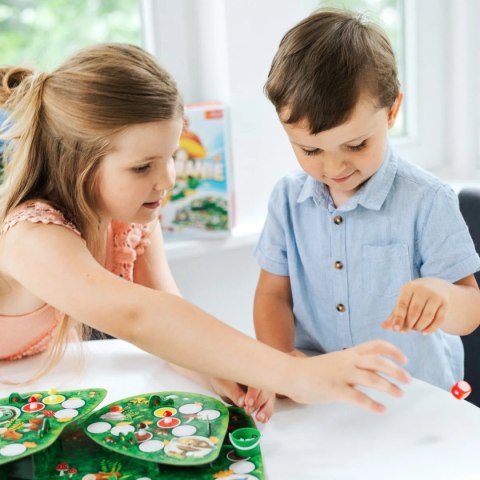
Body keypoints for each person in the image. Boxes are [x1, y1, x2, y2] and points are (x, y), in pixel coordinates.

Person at [0, 43, 410, 422]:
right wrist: (293, 374)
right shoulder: (31, 236)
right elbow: (138, 316)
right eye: (143, 167)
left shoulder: (130, 217)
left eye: (171, 157)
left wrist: (217, 371)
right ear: (74, 162)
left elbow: (167, 313)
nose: (167, 181)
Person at [251, 9, 480, 417]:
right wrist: (281, 362)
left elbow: (469, 311)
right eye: (310, 150)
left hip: (413, 404)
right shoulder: (286, 199)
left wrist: (443, 296)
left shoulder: (428, 200)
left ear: (392, 112)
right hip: (320, 399)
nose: (334, 168)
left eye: (356, 145)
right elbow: (273, 295)